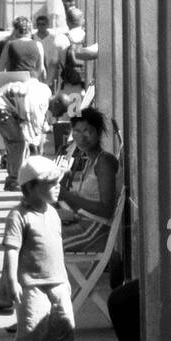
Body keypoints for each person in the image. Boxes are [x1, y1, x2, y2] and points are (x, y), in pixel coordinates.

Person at [3, 157, 75, 341]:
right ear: (31, 187)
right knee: (33, 332)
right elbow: (12, 249)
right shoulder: (18, 216)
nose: (58, 187)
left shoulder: (53, 213)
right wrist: (11, 281)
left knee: (63, 329)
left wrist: (65, 282)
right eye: (51, 183)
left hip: (58, 283)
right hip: (32, 285)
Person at [57, 107, 119, 254]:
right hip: (84, 223)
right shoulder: (90, 162)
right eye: (77, 132)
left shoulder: (104, 162)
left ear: (98, 133)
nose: (82, 137)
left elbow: (106, 210)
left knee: (40, 244)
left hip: (94, 231)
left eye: (87, 131)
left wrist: (66, 195)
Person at [0, 72, 52, 190]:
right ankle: (15, 180)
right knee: (19, 143)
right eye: (60, 111)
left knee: (13, 143)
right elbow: (32, 137)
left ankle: (12, 178)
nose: (58, 115)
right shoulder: (35, 105)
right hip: (0, 106)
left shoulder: (45, 91)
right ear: (56, 103)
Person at [33, 12, 71, 91]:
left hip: (51, 72)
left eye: (43, 24)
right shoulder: (32, 38)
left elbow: (55, 59)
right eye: (39, 24)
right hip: (36, 71)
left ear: (47, 25)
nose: (41, 26)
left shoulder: (53, 38)